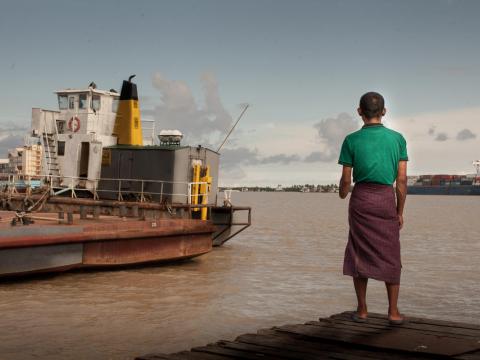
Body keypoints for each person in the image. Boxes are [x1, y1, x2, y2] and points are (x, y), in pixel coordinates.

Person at [338, 92, 408, 324]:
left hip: (362, 200)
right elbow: (402, 181)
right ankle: (394, 312)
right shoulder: (398, 139)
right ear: (384, 112)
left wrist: (341, 193)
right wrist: (399, 212)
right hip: (386, 199)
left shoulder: (351, 140)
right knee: (391, 252)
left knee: (359, 251)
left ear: (359, 111)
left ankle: (362, 310)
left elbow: (346, 180)